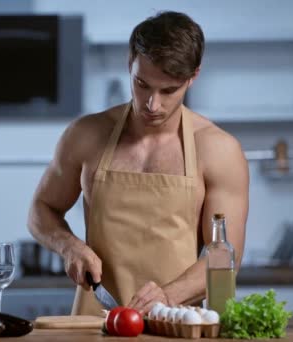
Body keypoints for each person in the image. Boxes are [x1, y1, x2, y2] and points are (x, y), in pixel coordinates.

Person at [27, 11, 248, 316]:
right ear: (129, 63)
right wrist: (69, 246)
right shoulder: (85, 135)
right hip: (94, 323)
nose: (152, 104)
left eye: (169, 90)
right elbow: (41, 209)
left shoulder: (218, 149)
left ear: (193, 76)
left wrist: (168, 296)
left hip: (172, 323)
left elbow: (224, 258)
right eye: (142, 84)